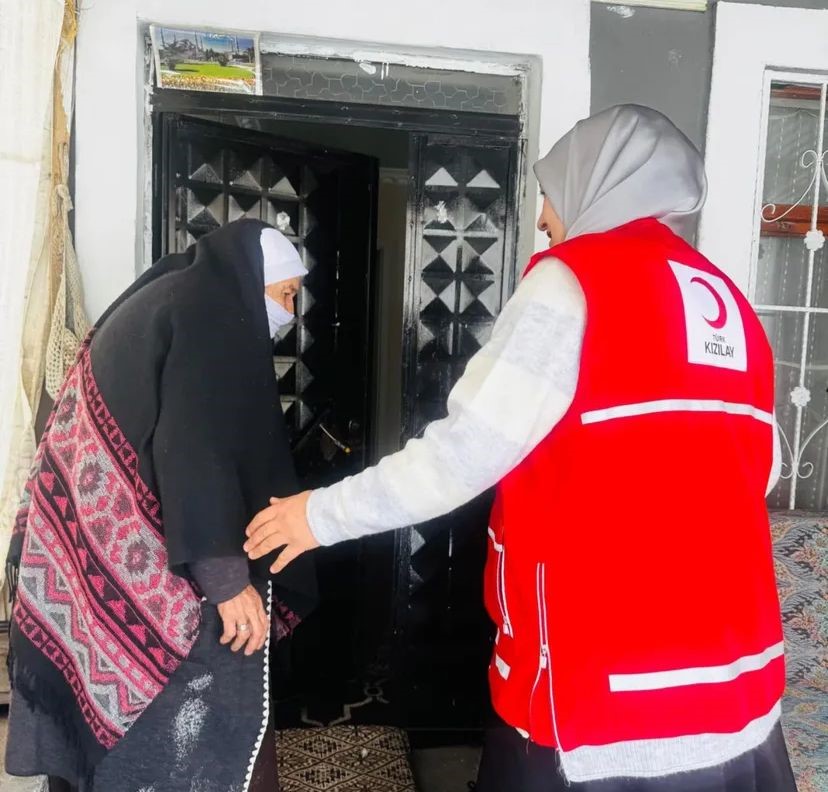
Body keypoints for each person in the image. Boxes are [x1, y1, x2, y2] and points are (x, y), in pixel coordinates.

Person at [243, 106, 798, 791]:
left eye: (551, 193)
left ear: (600, 183)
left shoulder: (576, 282)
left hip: (604, 700)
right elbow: (760, 469)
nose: (541, 219)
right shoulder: (731, 304)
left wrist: (316, 516)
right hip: (733, 690)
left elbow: (462, 456)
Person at [4, 219, 316, 792]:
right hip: (145, 570)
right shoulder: (209, 317)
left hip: (90, 556)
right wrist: (226, 581)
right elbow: (194, 451)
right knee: (185, 722)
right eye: (287, 293)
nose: (292, 312)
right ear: (252, 277)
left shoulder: (176, 297)